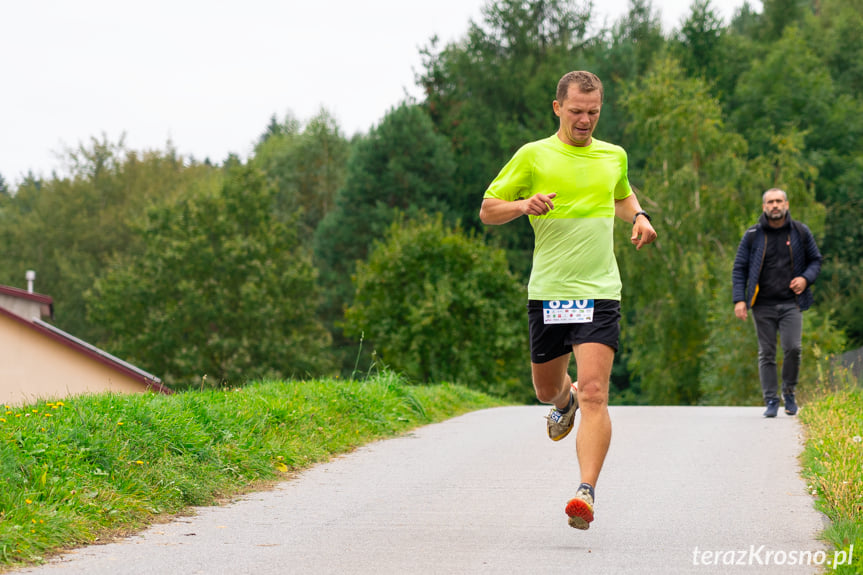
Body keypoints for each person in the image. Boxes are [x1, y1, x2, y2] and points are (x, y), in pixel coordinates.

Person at [479, 70, 657, 530]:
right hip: (550, 292)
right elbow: (488, 209)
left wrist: (637, 216)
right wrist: (523, 205)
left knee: (597, 391)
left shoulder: (612, 155)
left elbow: (618, 193)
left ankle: (586, 492)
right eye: (577, 111)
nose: (585, 120)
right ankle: (564, 402)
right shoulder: (533, 155)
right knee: (546, 389)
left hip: (599, 292)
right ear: (557, 107)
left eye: (594, 112)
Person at [732, 188, 822, 418]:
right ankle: (771, 400)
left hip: (792, 302)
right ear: (764, 207)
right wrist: (739, 299)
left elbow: (816, 260)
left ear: (786, 204)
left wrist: (805, 278)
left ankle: (789, 393)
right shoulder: (753, 235)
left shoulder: (800, 231)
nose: (775, 205)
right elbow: (739, 268)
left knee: (793, 348)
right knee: (767, 352)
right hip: (761, 304)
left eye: (779, 201)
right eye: (770, 202)